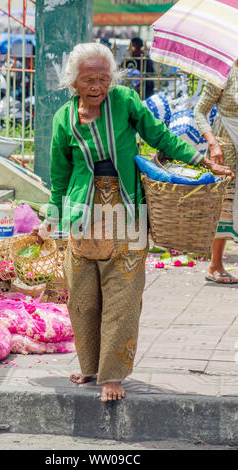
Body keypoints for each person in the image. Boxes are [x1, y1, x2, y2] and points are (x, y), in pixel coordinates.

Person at [33, 42, 233, 402]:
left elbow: (160, 136)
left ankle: (112, 375)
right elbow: (59, 173)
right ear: (73, 82)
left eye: (103, 78)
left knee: (123, 297)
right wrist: (52, 217)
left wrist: (201, 162)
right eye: (88, 79)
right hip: (83, 214)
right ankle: (91, 365)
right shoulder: (63, 118)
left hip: (126, 210)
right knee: (82, 297)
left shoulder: (125, 101)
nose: (97, 85)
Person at [194, 60, 238, 284]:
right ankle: (215, 265)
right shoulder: (223, 74)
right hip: (227, 148)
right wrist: (213, 144)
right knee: (225, 206)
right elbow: (199, 111)